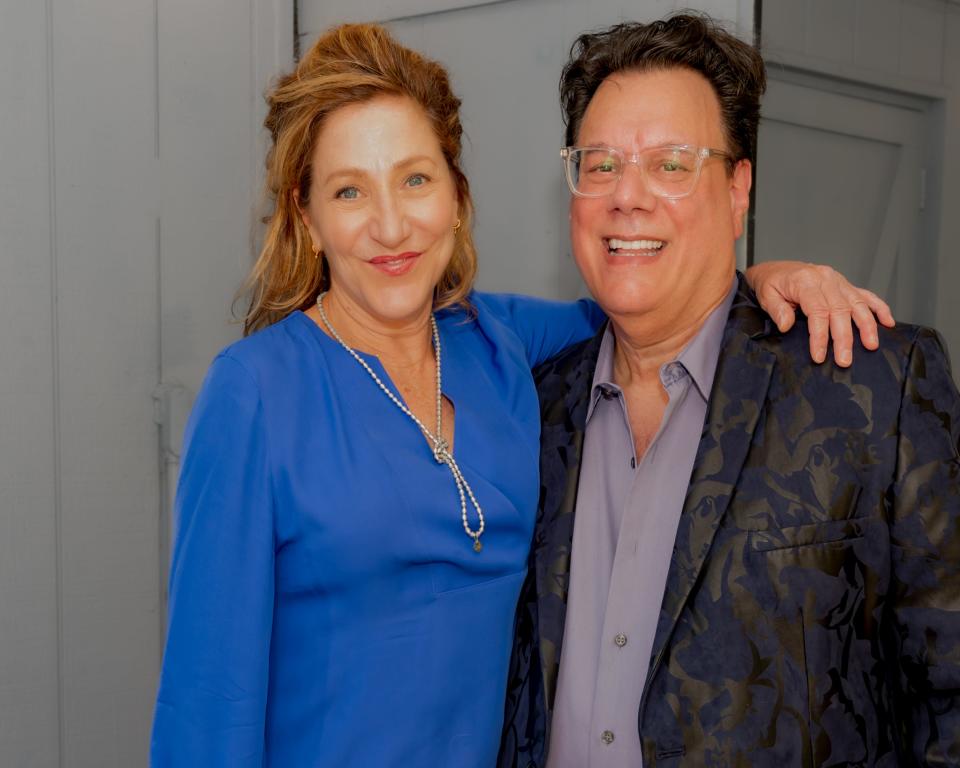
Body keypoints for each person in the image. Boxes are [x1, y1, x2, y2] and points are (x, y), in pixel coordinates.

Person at [150, 22, 893, 768]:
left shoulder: (502, 343)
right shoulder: (254, 393)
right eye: (349, 190)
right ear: (307, 218)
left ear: (456, 194)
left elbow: (657, 298)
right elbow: (207, 706)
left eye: (415, 179)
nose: (390, 224)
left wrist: (770, 277)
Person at [499, 12, 960, 768]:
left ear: (738, 188)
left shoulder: (873, 386)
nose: (628, 196)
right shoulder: (532, 405)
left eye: (672, 163)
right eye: (601, 163)